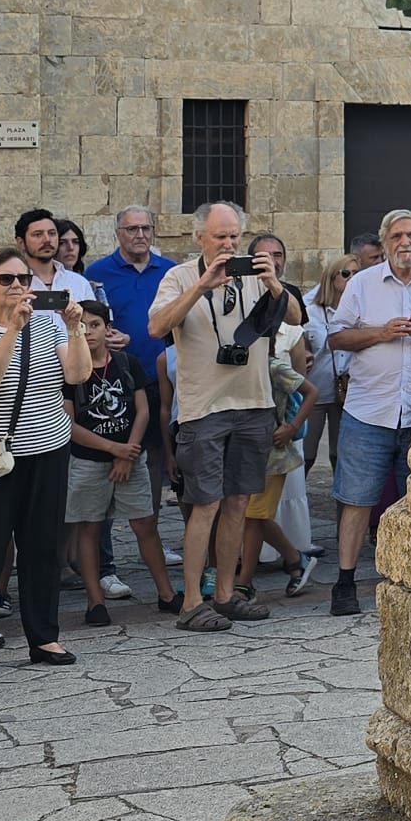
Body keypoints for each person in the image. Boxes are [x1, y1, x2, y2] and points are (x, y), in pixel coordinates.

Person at [147, 201, 300, 632]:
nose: (229, 243)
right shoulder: (178, 277)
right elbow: (157, 329)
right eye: (220, 237)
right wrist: (201, 285)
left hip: (252, 403)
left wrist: (274, 284)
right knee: (205, 504)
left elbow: (294, 318)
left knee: (237, 502)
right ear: (200, 238)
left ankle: (226, 594)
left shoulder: (254, 272)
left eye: (234, 236)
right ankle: (192, 601)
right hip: (203, 408)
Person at [0, 245, 92, 682]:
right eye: (7, 280)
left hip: (46, 450)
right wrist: (11, 330)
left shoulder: (48, 326)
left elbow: (78, 375)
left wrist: (75, 328)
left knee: (42, 548)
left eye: (24, 280)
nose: (17, 287)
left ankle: (44, 636)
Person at [328, 209, 411, 616]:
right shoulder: (363, 283)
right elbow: (337, 336)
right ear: (384, 243)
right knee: (356, 498)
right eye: (398, 235)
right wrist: (381, 333)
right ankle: (345, 583)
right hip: (369, 409)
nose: (406, 242)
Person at [64, 302, 179, 626]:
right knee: (89, 528)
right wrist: (113, 448)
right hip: (89, 461)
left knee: (145, 524)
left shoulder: (126, 363)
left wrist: (127, 452)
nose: (89, 331)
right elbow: (68, 423)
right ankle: (95, 601)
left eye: (96, 324)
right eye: (82, 325)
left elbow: (142, 410)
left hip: (131, 457)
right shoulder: (71, 370)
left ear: (108, 328)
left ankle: (167, 593)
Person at [86, 206, 180, 517]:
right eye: (132, 229)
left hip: (161, 378)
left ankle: (152, 530)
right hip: (115, 381)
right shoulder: (97, 272)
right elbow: (90, 320)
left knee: (157, 456)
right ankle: (104, 548)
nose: (140, 235)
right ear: (118, 234)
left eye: (146, 228)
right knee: (104, 458)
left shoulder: (171, 271)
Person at [236, 342, 317, 601]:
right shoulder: (237, 369)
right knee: (254, 516)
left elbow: (311, 392)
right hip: (248, 453)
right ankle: (296, 559)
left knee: (254, 516)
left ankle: (245, 582)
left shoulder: (273, 367)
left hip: (274, 455)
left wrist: (292, 427)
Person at [302, 254, 357, 471]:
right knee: (307, 452)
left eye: (356, 274)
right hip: (316, 389)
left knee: (340, 453)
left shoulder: (360, 311)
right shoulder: (310, 312)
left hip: (346, 391)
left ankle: (341, 504)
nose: (352, 278)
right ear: (332, 278)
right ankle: (299, 500)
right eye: (346, 273)